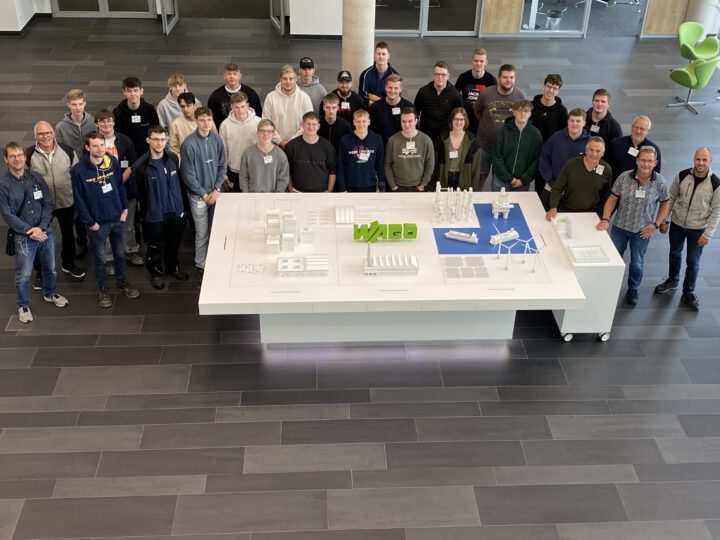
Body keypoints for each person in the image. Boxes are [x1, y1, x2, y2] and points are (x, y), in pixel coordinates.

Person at [1, 142, 69, 324]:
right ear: (6, 159)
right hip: (23, 237)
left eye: (20, 155)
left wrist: (42, 226)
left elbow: (48, 203)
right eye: (12, 156)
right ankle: (23, 305)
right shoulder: (3, 184)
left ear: (25, 157)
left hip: (45, 232)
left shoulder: (36, 177)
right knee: (23, 274)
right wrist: (30, 230)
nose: (17, 159)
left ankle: (50, 293)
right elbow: (6, 214)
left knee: (50, 268)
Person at [71, 132, 140, 308]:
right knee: (100, 259)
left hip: (117, 219)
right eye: (95, 146)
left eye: (102, 145)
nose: (100, 149)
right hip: (97, 224)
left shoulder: (112, 161)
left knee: (120, 254)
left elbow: (119, 185)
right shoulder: (78, 171)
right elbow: (78, 200)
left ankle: (122, 282)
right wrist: (90, 222)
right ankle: (103, 287)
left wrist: (124, 208)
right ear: (87, 147)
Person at [597, 147, 669, 306]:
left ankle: (633, 288)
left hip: (642, 231)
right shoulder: (624, 177)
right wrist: (606, 218)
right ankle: (609, 285)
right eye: (643, 160)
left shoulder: (660, 182)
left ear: (655, 163)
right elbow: (612, 198)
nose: (646, 164)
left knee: (637, 262)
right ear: (637, 160)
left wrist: (656, 224)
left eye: (650, 161)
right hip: (620, 227)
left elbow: (665, 203)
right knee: (614, 259)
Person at [655, 147, 720, 312]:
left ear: (710, 161)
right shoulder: (683, 175)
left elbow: (717, 211)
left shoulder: (715, 183)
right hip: (677, 224)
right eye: (698, 159)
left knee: (693, 261)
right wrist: (665, 220)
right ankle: (672, 280)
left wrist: (708, 234)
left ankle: (688, 292)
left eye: (704, 160)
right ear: (694, 159)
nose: (701, 163)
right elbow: (670, 198)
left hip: (698, 229)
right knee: (674, 253)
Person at [129, 125, 188, 290]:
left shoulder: (173, 159)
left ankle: (172, 268)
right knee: (154, 246)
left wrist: (182, 209)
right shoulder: (141, 166)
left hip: (175, 212)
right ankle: (155, 273)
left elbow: (180, 183)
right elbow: (137, 191)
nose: (159, 143)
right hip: (154, 215)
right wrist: (151, 206)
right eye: (155, 139)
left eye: (162, 139)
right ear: (148, 140)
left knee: (174, 243)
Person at [25, 121, 85, 279]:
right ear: (35, 136)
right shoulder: (28, 155)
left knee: (68, 235)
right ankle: (40, 271)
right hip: (42, 205)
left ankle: (68, 264)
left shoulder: (68, 151)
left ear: (53, 133)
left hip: (66, 202)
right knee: (40, 236)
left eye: (48, 133)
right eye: (41, 134)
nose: (45, 136)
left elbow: (77, 175)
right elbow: (24, 181)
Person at [180, 107, 226, 285]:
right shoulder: (189, 144)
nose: (206, 123)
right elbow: (188, 175)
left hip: (215, 194)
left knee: (217, 230)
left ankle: (215, 262)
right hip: (198, 197)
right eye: (202, 120)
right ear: (196, 121)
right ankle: (201, 266)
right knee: (202, 233)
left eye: (209, 119)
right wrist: (204, 194)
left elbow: (222, 166)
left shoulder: (217, 140)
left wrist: (216, 189)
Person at [474, 64, 527, 191]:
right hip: (484, 146)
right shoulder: (486, 93)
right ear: (499, 77)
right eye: (505, 77)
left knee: (499, 182)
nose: (508, 80)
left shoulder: (520, 96)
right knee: (478, 178)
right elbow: (477, 111)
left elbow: (524, 117)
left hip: (505, 150)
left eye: (511, 77)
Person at [545, 136, 612, 220]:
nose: (594, 154)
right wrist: (553, 207)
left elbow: (606, 196)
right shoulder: (571, 164)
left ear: (603, 153)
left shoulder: (606, 170)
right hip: (567, 210)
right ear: (586, 150)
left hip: (591, 215)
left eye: (598, 151)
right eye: (591, 150)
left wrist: (602, 216)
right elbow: (557, 187)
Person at [537, 108, 590, 209]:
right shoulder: (555, 138)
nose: (574, 124)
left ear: (584, 123)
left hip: (575, 193)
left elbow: (591, 167)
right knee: (546, 216)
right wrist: (552, 183)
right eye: (572, 120)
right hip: (551, 188)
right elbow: (544, 160)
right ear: (567, 122)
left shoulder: (589, 143)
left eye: (578, 121)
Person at [491, 100, 543, 192]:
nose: (522, 113)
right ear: (514, 112)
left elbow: (536, 160)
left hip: (522, 182)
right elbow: (496, 157)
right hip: (501, 180)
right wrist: (508, 178)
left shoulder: (535, 134)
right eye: (519, 110)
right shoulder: (503, 132)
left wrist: (524, 179)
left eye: (526, 111)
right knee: (497, 201)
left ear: (530, 114)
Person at [262, 64, 314, 148]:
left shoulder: (305, 98)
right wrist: (280, 141)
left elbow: (308, 123)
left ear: (295, 79)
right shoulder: (270, 97)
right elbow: (266, 122)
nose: (288, 82)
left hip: (299, 145)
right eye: (285, 79)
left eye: (291, 79)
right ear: (280, 79)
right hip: (274, 145)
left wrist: (291, 143)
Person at [384, 107, 435, 192]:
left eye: (410, 121)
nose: (407, 125)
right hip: (398, 188)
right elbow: (387, 164)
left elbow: (430, 164)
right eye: (403, 121)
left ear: (416, 121)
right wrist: (393, 186)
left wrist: (423, 185)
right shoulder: (392, 140)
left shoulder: (426, 140)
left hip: (419, 188)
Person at [284, 112, 336, 193]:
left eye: (314, 124)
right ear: (302, 125)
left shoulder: (327, 146)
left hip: (322, 192)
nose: (311, 127)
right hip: (297, 192)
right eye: (308, 124)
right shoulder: (291, 146)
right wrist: (291, 189)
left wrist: (329, 191)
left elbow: (332, 171)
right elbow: (287, 171)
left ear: (318, 126)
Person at [219, 92, 260, 192]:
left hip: (255, 169)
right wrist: (223, 173)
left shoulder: (259, 122)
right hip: (234, 170)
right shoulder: (225, 125)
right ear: (231, 107)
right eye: (236, 107)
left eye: (242, 106)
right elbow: (223, 150)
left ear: (247, 105)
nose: (240, 110)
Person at [414, 61, 463, 144]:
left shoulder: (455, 95)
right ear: (433, 76)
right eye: (437, 74)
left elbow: (460, 117)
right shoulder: (423, 92)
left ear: (448, 76)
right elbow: (415, 113)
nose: (440, 77)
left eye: (443, 75)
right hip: (426, 135)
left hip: (445, 137)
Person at [432, 107, 481, 190]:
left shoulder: (472, 140)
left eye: (461, 119)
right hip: (444, 179)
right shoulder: (441, 138)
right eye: (456, 119)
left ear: (465, 121)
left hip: (464, 179)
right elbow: (434, 165)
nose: (459, 122)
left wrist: (474, 190)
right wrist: (432, 185)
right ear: (451, 120)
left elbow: (476, 169)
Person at [336, 109, 385, 192]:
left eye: (364, 121)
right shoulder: (345, 140)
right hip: (350, 186)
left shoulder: (377, 139)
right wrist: (342, 188)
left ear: (369, 122)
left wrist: (381, 185)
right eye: (358, 121)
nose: (361, 124)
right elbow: (341, 166)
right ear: (354, 122)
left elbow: (380, 164)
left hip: (371, 186)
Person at [113, 77, 160, 157]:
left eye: (136, 90)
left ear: (141, 91)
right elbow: (117, 137)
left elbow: (156, 132)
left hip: (147, 154)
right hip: (126, 155)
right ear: (124, 92)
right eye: (129, 91)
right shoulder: (118, 113)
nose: (133, 94)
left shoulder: (150, 110)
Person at [238, 119, 290, 193]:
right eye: (262, 131)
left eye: (269, 131)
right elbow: (243, 177)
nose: (265, 134)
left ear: (273, 134)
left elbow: (283, 179)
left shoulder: (281, 155)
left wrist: (277, 195)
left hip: (274, 196)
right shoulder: (247, 153)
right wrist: (247, 194)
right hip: (252, 196)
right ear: (258, 133)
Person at [455, 48, 497, 135]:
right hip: (466, 119)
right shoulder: (463, 77)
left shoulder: (491, 81)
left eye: (481, 61)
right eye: (476, 60)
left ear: (486, 62)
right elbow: (454, 95)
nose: (478, 63)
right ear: (472, 61)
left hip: (482, 119)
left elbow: (494, 102)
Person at [207, 63, 262, 131]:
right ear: (224, 76)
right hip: (224, 132)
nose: (232, 77)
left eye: (235, 74)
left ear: (240, 76)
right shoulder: (215, 96)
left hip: (249, 131)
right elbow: (211, 119)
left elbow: (258, 115)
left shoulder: (251, 94)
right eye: (229, 74)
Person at [607, 115, 661, 183]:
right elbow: (606, 165)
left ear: (647, 131)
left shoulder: (653, 150)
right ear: (631, 127)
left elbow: (655, 175)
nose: (638, 131)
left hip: (640, 186)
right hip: (615, 184)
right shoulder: (616, 143)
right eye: (636, 127)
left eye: (642, 129)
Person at [368, 74, 413, 146]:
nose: (392, 91)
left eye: (396, 88)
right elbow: (370, 131)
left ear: (401, 89)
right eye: (390, 87)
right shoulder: (375, 107)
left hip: (402, 147)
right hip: (382, 147)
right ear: (385, 87)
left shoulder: (409, 107)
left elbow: (413, 130)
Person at [169, 91, 217, 156]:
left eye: (188, 105)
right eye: (182, 106)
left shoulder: (207, 120)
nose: (185, 109)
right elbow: (174, 149)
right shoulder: (176, 124)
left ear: (195, 105)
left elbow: (215, 141)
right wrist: (182, 160)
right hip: (185, 159)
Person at [55, 88, 96, 159]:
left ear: (84, 104)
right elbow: (58, 150)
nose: (78, 108)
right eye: (74, 104)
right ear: (68, 105)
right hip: (71, 163)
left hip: (93, 162)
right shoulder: (60, 127)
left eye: (80, 104)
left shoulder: (94, 123)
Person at [358, 41, 399, 108]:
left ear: (388, 56)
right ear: (374, 55)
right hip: (370, 110)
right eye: (378, 54)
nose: (381, 57)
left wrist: (373, 97)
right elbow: (362, 97)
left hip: (387, 110)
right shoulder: (365, 74)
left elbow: (395, 98)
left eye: (383, 54)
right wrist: (385, 101)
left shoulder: (395, 75)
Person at [530, 74, 568, 144]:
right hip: (532, 146)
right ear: (544, 86)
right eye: (549, 86)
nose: (551, 90)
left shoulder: (562, 111)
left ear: (558, 91)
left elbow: (563, 135)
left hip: (552, 148)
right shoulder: (530, 106)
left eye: (555, 88)